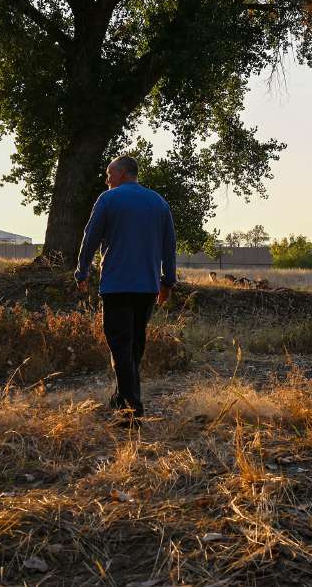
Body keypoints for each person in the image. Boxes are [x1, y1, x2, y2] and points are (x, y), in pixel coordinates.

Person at [75, 156, 177, 425]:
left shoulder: (108, 200)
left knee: (120, 345)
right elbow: (170, 245)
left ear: (121, 173)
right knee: (134, 345)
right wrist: (168, 282)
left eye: (109, 173)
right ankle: (122, 397)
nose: (107, 179)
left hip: (117, 285)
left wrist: (82, 271)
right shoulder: (159, 202)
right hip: (147, 287)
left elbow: (90, 237)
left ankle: (132, 410)